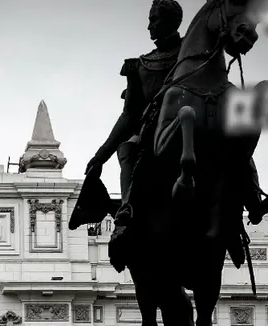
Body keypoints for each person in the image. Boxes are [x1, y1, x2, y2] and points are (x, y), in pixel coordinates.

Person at [69, 0, 185, 232]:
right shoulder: (140, 66)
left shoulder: (191, 54)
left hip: (191, 123)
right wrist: (100, 156)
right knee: (128, 149)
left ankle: (252, 196)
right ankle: (127, 205)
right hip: (153, 130)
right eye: (150, 20)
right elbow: (129, 115)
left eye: (155, 20)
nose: (149, 26)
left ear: (172, 21)